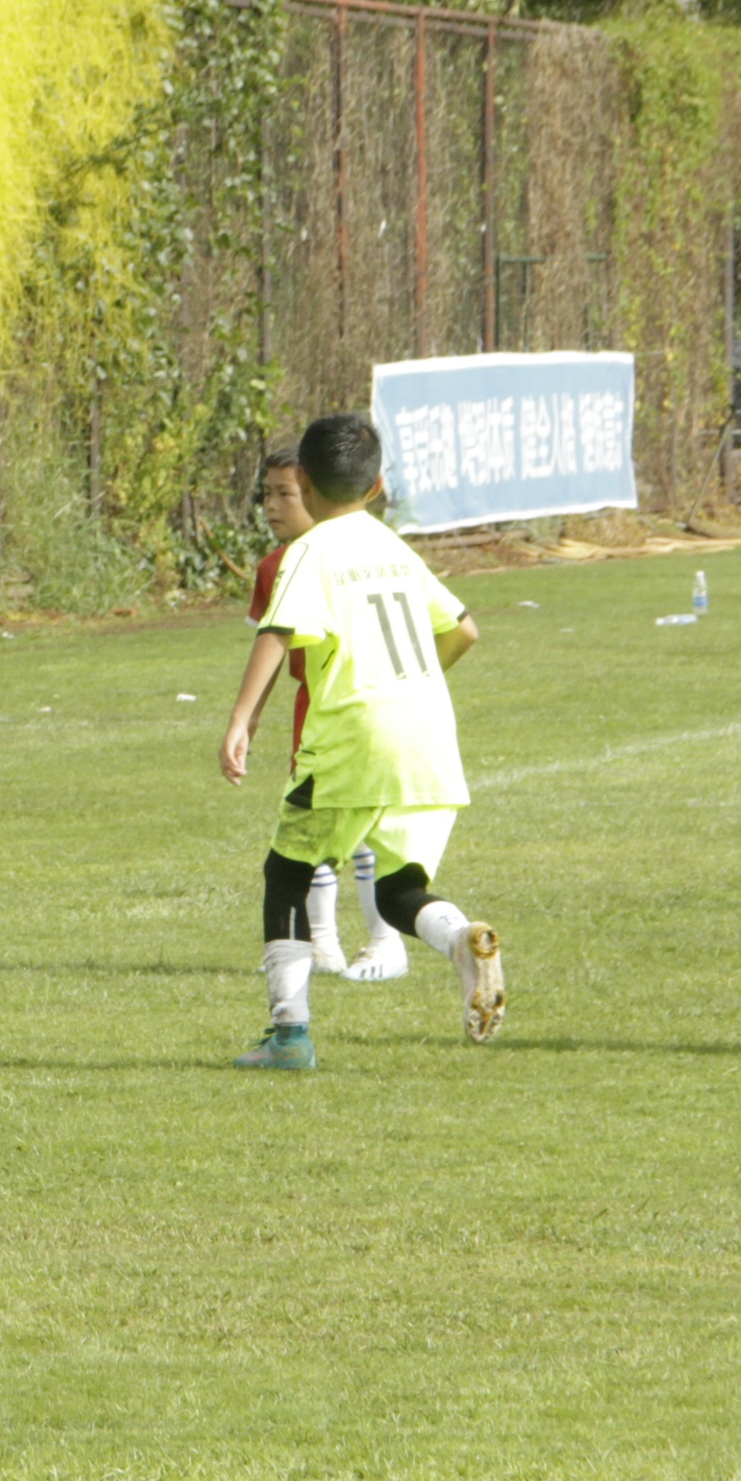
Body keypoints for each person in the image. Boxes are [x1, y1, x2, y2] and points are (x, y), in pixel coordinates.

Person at [216, 411, 505, 1069]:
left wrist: (241, 719)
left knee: (285, 872)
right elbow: (463, 628)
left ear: (305, 485)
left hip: (355, 734)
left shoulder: (309, 550)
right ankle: (461, 936)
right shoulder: (392, 546)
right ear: (376, 485)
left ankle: (289, 1037)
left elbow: (276, 629)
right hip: (428, 731)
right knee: (399, 886)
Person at [249, 442, 396, 982]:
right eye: (266, 494)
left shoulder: (351, 558)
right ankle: (324, 944)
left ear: (314, 492)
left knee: (367, 833)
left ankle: (383, 941)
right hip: (312, 716)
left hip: (360, 710)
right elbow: (270, 647)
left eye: (286, 493)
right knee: (314, 836)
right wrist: (252, 715)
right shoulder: (273, 567)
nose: (273, 506)